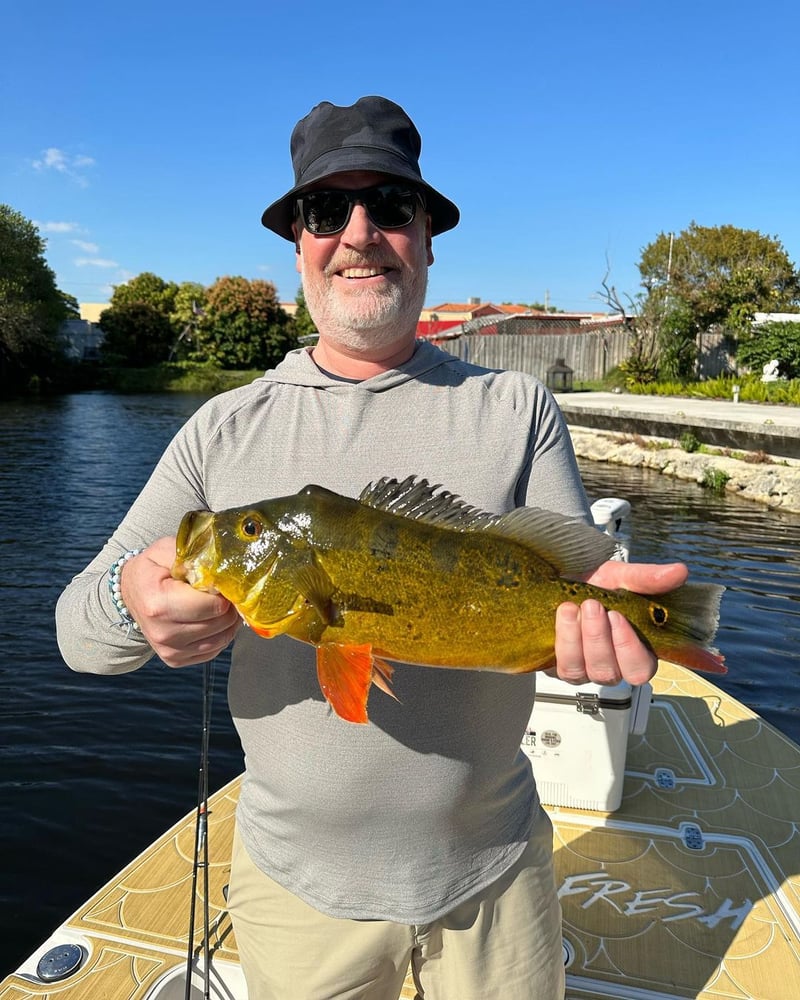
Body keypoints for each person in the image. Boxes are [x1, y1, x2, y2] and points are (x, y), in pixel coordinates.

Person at [56, 96, 687, 1000]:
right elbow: (78, 635)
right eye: (326, 211)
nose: (360, 234)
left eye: (391, 206)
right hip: (296, 892)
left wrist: (616, 631)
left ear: (427, 237)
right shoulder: (221, 432)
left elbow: (576, 587)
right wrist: (136, 599)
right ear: (300, 243)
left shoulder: (516, 411)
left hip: (496, 875)